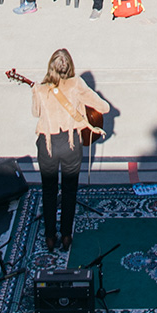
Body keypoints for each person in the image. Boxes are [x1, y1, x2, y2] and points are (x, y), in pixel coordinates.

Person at [29, 48, 110, 252]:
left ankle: (49, 236)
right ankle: (66, 235)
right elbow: (104, 107)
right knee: (69, 190)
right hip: (70, 143)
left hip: (47, 143)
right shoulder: (76, 84)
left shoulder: (40, 88)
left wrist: (36, 92)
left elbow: (35, 112)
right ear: (70, 67)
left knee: (48, 191)